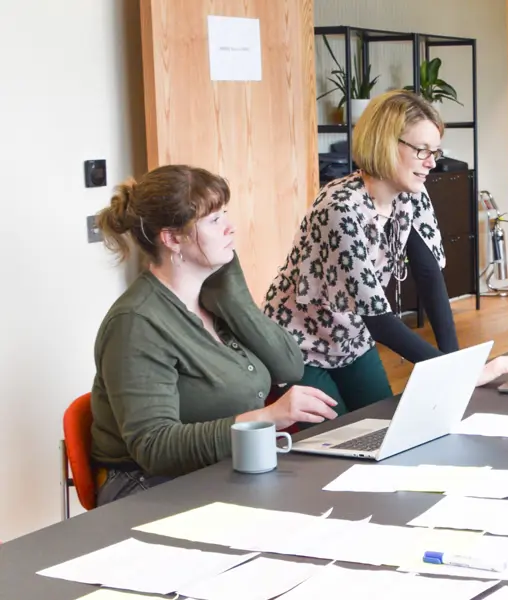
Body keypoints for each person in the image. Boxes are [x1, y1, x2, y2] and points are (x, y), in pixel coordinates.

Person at [263, 90, 508, 415]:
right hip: (298, 346)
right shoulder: (340, 209)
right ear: (387, 144)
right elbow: (379, 321)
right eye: (422, 151)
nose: (432, 162)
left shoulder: (411, 194)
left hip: (352, 338)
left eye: (435, 151)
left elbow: (429, 274)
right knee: (332, 443)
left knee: (381, 427)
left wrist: (456, 367)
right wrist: (459, 373)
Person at [90, 165, 339, 506]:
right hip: (147, 486)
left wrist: (234, 292)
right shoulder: (136, 323)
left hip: (217, 469)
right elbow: (154, 447)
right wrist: (267, 418)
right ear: (173, 238)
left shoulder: (213, 299)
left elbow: (289, 367)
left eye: (225, 214)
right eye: (213, 220)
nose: (230, 227)